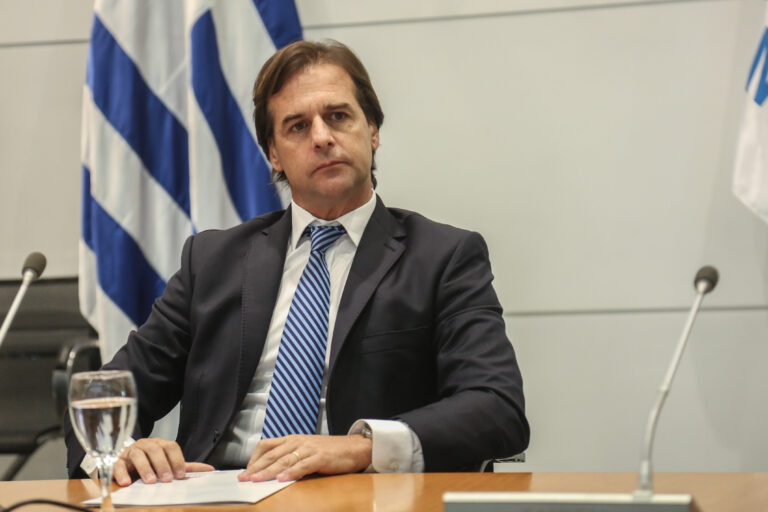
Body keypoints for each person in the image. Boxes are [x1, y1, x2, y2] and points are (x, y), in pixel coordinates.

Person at [65, 40, 529, 484]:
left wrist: (363, 448)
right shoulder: (212, 262)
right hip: (219, 492)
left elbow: (496, 408)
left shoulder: (443, 257)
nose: (322, 138)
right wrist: (121, 450)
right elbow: (102, 395)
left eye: (338, 116)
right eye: (298, 126)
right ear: (274, 155)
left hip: (362, 495)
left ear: (372, 130)